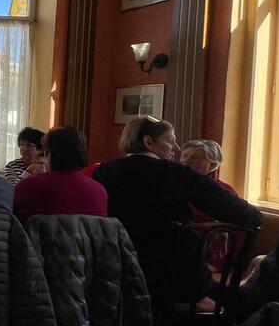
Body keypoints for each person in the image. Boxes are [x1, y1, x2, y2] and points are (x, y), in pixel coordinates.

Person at [93, 117, 262, 302]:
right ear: (148, 142)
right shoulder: (176, 173)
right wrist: (221, 227)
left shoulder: (102, 171)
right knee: (238, 299)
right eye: (170, 140)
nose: (176, 147)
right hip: (172, 278)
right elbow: (248, 215)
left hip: (114, 275)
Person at [13, 126, 107, 221]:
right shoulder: (99, 191)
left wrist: (28, 173)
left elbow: (11, 217)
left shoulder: (29, 185)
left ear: (48, 154)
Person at [180, 138, 240, 272]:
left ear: (212, 164)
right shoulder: (178, 185)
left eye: (195, 158)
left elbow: (237, 228)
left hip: (209, 254)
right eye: (185, 156)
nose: (186, 161)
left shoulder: (223, 190)